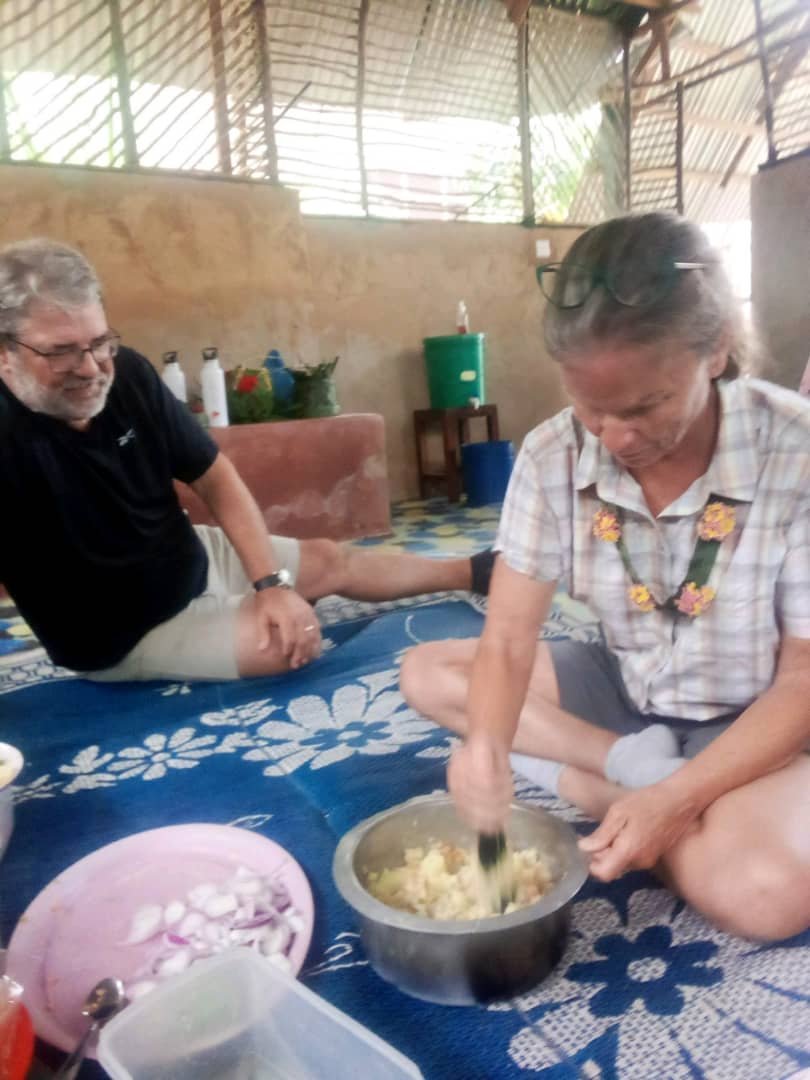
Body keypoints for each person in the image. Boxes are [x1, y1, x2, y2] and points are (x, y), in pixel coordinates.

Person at [400, 212, 810, 942]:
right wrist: (489, 750)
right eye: (591, 408)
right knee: (430, 672)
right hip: (628, 687)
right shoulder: (552, 455)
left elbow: (803, 683)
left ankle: (598, 790)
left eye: (646, 406)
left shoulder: (795, 451)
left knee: (766, 895)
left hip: (755, 720)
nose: (615, 438)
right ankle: (619, 768)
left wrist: (680, 798)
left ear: (715, 349)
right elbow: (506, 642)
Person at [0, 238, 493, 682]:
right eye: (61, 352)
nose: (89, 368)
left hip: (189, 557)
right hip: (127, 633)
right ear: (5, 353)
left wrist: (270, 583)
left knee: (328, 559)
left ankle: (474, 571)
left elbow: (215, 478)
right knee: (287, 643)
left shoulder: (128, 374)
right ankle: (247, 616)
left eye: (99, 343)